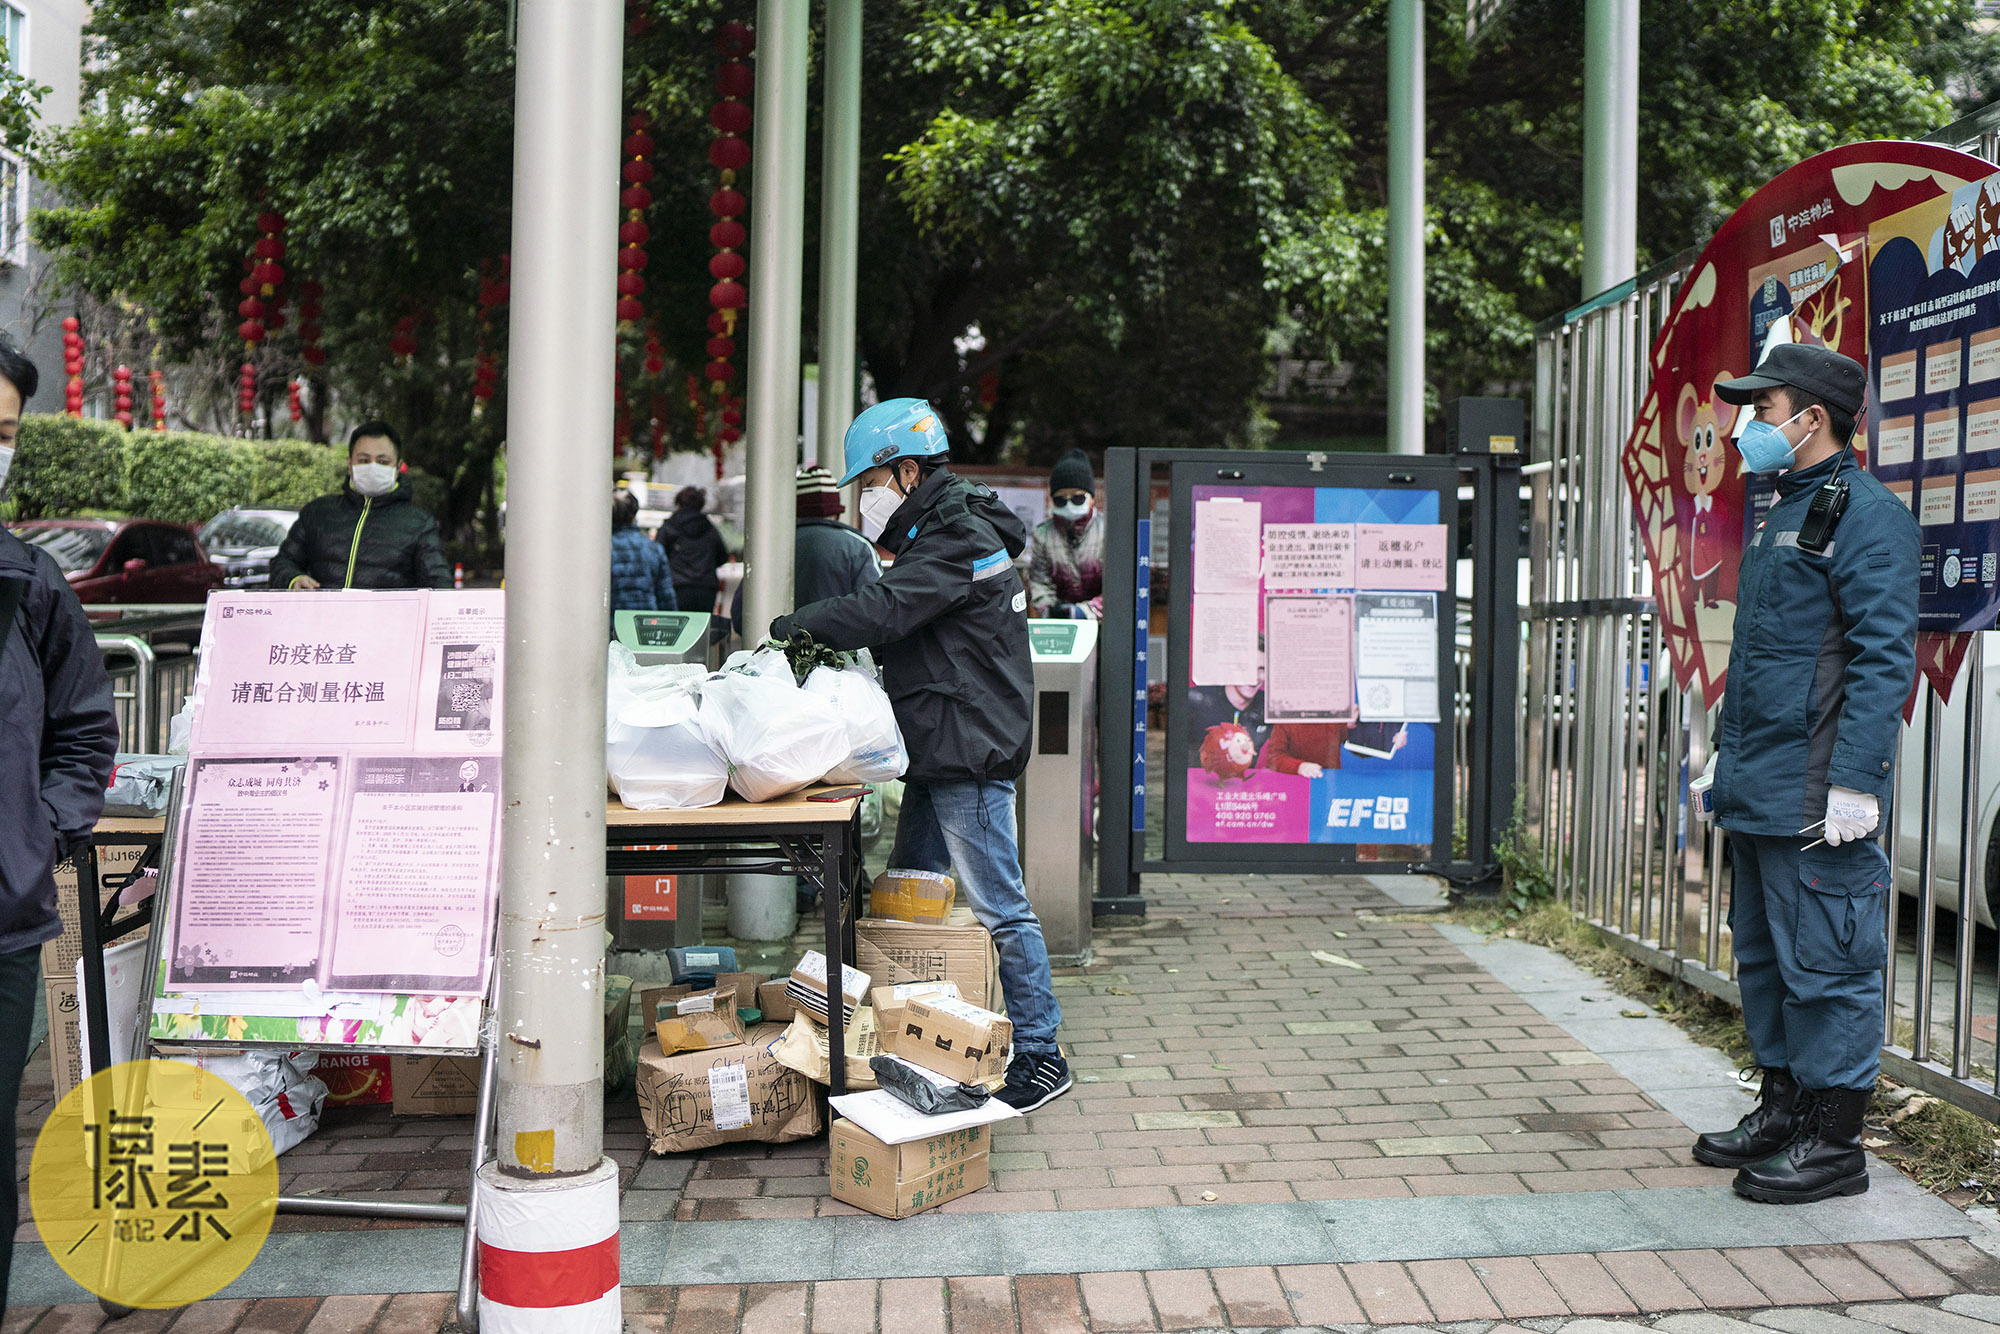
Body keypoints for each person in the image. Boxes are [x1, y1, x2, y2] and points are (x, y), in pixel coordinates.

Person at [772, 397, 1070, 1112]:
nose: (864, 502)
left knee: (1002, 908)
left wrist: (797, 626)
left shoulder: (956, 537)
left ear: (907, 472)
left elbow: (886, 610)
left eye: (869, 486)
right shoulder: (947, 528)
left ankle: (1041, 1052)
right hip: (942, 740)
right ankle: (923, 1036)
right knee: (908, 898)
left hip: (967, 747)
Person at [1690, 343, 1917, 1205]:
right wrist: (1724, 756)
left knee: (1829, 966)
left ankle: (1834, 1143)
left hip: (1820, 800)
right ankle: (1782, 1109)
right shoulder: (1783, 508)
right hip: (1760, 785)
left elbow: (1880, 658)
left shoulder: (1867, 515)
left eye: (1764, 407)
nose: (1751, 424)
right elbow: (1761, 660)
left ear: (1810, 419)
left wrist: (1857, 782)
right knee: (1765, 959)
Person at [0, 339, 119, 1311]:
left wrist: (37, 832)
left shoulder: (28, 582)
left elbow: (84, 731)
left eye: (1, 433)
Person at [269, 421, 453, 590]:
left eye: (383, 462)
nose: (373, 467)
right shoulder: (317, 512)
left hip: (386, 624)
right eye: (364, 460)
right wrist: (293, 579)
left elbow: (439, 585)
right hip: (322, 622)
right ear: (350, 464)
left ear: (398, 467)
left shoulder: (419, 524)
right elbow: (283, 562)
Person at [730, 465, 882, 631]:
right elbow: (876, 611)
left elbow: (740, 616)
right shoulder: (859, 548)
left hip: (776, 652)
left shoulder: (770, 548)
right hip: (840, 654)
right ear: (837, 512)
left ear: (795, 510)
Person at [1027, 447, 1104, 619]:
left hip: (1106, 627)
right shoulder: (1043, 534)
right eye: (1061, 499)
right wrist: (1049, 608)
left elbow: (1118, 586)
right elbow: (1039, 580)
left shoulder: (1108, 531)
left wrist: (1085, 612)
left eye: (1077, 498)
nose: (1069, 505)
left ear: (1092, 497)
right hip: (1060, 626)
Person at [656, 485, 729, 616]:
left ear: (678, 504)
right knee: (702, 630)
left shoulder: (669, 527)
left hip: (677, 586)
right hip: (706, 588)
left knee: (677, 630)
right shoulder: (710, 528)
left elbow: (657, 555)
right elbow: (722, 556)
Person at [610, 487, 676, 629]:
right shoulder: (653, 548)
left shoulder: (602, 550)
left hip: (611, 627)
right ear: (634, 515)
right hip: (645, 627)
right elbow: (665, 596)